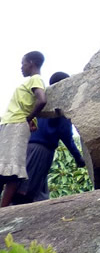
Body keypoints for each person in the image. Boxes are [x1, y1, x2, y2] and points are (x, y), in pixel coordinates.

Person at [13, 72, 84, 204]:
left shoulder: (42, 99)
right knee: (26, 190)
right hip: (41, 148)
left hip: (29, 145)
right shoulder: (61, 103)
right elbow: (65, 134)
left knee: (30, 187)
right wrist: (77, 156)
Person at [0, 52, 47, 207]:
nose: (21, 67)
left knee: (12, 168)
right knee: (6, 165)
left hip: (15, 124)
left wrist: (28, 118)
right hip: (11, 124)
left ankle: (3, 209)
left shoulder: (36, 79)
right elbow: (29, 103)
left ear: (31, 62)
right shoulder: (32, 81)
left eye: (23, 63)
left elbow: (42, 100)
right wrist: (31, 119)